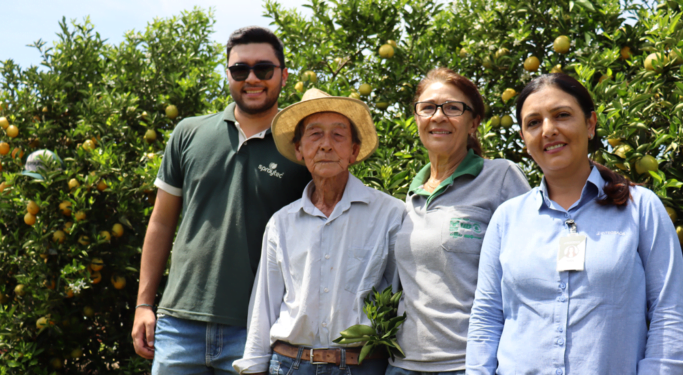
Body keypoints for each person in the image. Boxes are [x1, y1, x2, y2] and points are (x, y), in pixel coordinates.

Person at [466, 73, 683, 374]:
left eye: (562, 115)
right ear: (523, 138)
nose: (549, 130)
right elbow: (486, 318)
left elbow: (669, 313)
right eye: (533, 122)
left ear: (590, 123)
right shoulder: (507, 219)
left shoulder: (641, 208)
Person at [131, 26, 312, 374]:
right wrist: (143, 305)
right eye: (240, 69)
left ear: (283, 75)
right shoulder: (189, 132)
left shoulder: (301, 147)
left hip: (259, 328)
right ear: (227, 73)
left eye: (264, 69)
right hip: (178, 324)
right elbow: (162, 222)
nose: (252, 78)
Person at [232, 88, 404, 375]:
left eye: (338, 135)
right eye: (314, 134)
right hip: (289, 365)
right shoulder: (281, 223)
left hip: (363, 366)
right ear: (299, 150)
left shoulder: (390, 214)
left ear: (354, 150)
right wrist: (253, 366)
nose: (326, 145)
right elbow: (265, 302)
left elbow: (401, 299)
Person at [388, 68, 530, 375]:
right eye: (428, 107)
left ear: (474, 122)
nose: (438, 116)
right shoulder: (408, 198)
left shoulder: (500, 177)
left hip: (470, 364)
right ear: (416, 118)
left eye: (452, 108)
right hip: (402, 366)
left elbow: (533, 270)